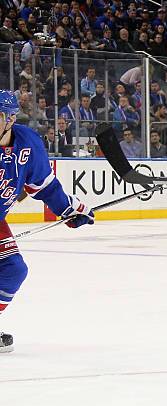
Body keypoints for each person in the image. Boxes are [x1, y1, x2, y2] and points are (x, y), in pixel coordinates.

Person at [0, 91, 94, 353]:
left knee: (13, 270)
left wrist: (68, 210)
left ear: (10, 119)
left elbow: (43, 186)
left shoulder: (28, 144)